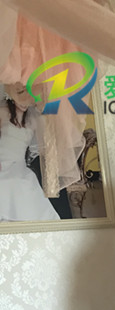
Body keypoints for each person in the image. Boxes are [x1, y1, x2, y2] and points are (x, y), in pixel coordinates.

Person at [0, 82, 60, 222]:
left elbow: (47, 145)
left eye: (30, 98)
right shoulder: (2, 111)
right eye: (21, 96)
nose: (25, 102)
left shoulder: (34, 119)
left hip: (19, 166)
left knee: (24, 180)